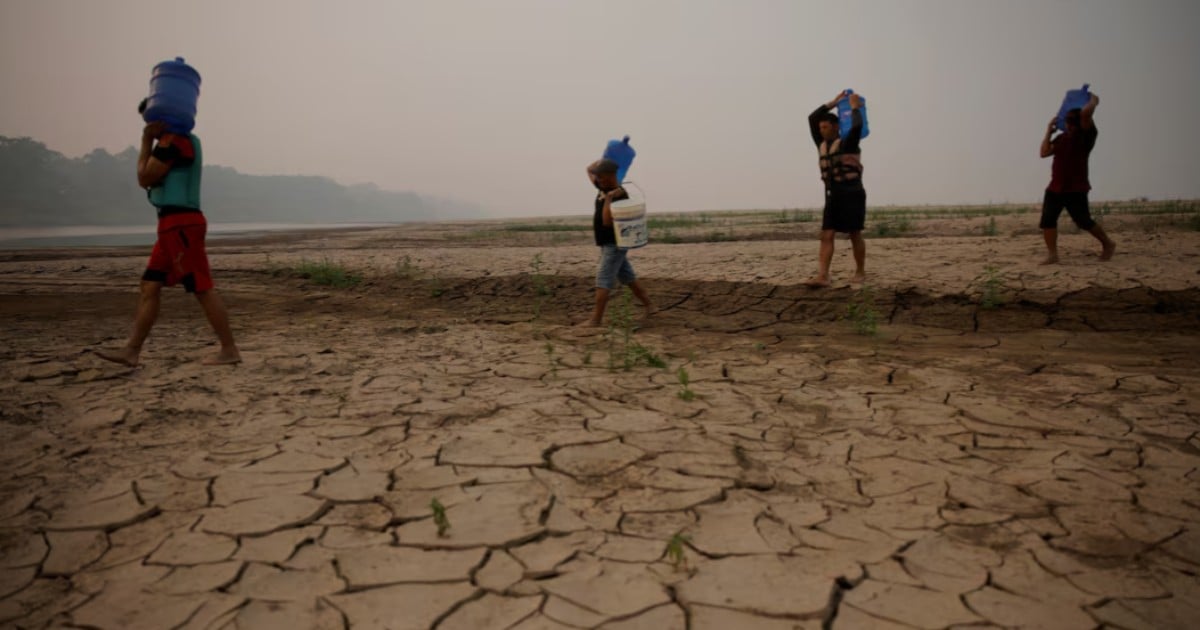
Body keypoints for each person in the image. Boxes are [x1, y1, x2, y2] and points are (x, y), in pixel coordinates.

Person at [96, 102, 240, 366]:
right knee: (150, 285)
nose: (148, 125)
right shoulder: (175, 141)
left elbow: (145, 178)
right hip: (170, 225)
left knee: (201, 287)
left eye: (149, 120)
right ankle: (132, 351)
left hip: (182, 225)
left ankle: (229, 350)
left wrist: (145, 140)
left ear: (160, 118)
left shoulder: (175, 141)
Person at [1038, 92, 1115, 263]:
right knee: (1048, 220)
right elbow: (1043, 153)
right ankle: (1052, 255)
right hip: (1055, 186)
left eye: (1074, 120)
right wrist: (1048, 132)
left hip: (1076, 188)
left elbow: (1086, 114)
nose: (1071, 124)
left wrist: (1094, 100)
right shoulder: (1061, 139)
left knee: (1083, 221)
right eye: (1068, 120)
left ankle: (1108, 244)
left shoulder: (1086, 137)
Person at [578, 158, 653, 327]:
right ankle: (649, 305)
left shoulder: (620, 194)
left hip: (614, 244)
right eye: (598, 177)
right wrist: (604, 159)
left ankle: (595, 320)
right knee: (628, 278)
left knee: (603, 280)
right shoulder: (601, 186)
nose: (598, 180)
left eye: (602, 177)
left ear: (612, 176)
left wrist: (608, 200)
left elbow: (607, 222)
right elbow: (588, 169)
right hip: (606, 244)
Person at [805, 90, 866, 287]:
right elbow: (812, 118)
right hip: (833, 195)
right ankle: (823, 276)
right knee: (827, 234)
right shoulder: (821, 144)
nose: (821, 130)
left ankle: (860, 272)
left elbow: (857, 126)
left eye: (825, 127)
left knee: (854, 233)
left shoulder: (848, 142)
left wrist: (855, 108)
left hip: (852, 193)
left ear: (836, 127)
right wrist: (834, 102)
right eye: (820, 128)